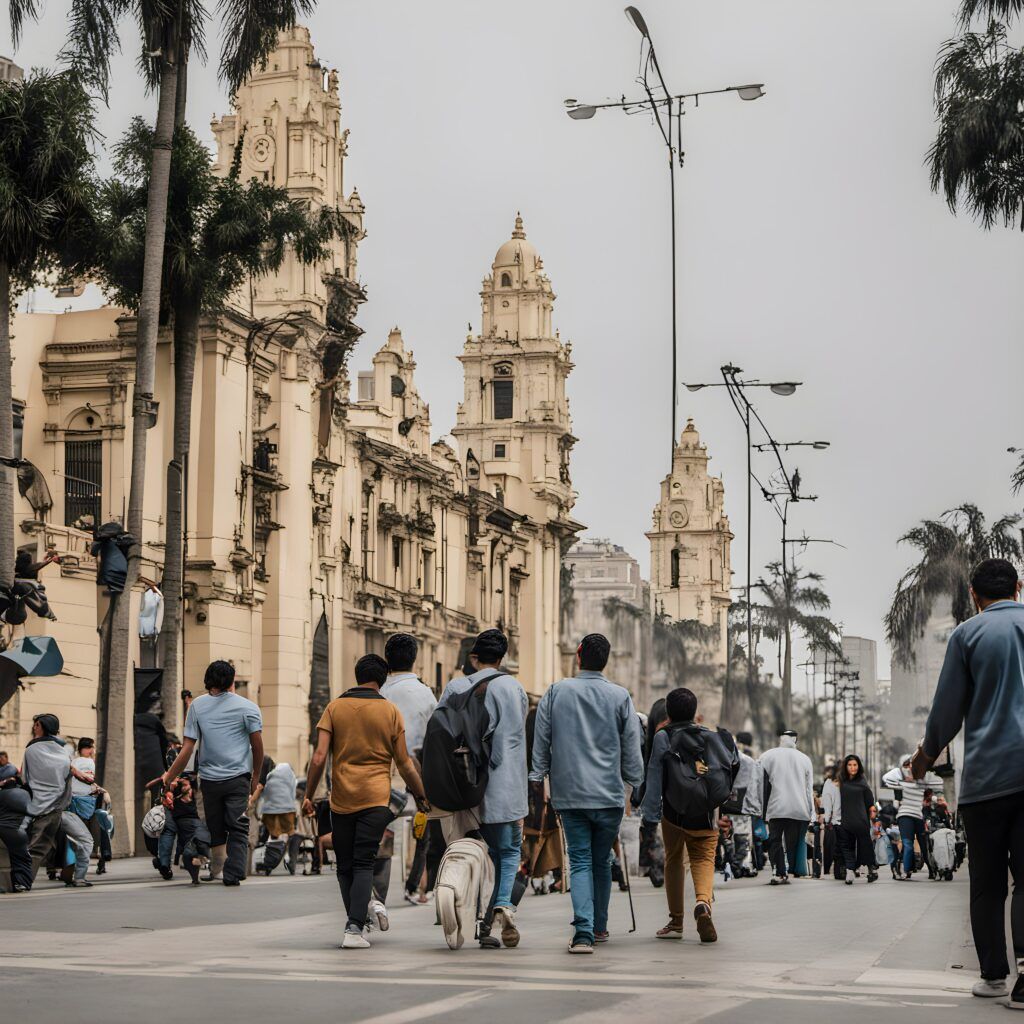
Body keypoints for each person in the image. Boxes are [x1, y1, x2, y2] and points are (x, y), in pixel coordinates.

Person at [910, 558, 1024, 1005]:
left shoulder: (968, 635)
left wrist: (925, 756)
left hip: (987, 782)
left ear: (974, 596)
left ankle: (995, 976)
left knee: (988, 884)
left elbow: (947, 712)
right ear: (1019, 586)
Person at [303, 653, 429, 949]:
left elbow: (319, 757)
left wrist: (308, 795)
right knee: (363, 863)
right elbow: (405, 764)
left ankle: (355, 922)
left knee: (344, 865)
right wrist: (422, 795)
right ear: (382, 680)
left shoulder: (334, 708)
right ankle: (354, 927)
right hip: (375, 799)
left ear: (357, 675)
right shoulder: (390, 712)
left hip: (341, 799)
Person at [529, 633, 643, 954]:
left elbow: (543, 738)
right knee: (602, 861)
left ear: (578, 656)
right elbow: (632, 749)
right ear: (605, 660)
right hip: (609, 795)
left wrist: (537, 775)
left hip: (570, 793)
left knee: (579, 860)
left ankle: (583, 932)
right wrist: (634, 784)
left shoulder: (556, 692)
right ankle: (600, 926)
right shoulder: (620, 697)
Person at [436, 628, 528, 950]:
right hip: (503, 788)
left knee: (472, 853)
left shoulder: (455, 686)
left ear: (474, 656)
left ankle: (470, 915)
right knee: (507, 852)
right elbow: (511, 739)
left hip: (464, 789)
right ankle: (502, 904)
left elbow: (442, 734)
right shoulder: (512, 687)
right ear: (502, 657)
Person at [641, 687, 739, 943]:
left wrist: (650, 815)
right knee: (704, 857)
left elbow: (654, 775)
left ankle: (676, 922)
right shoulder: (709, 736)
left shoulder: (664, 736)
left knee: (673, 860)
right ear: (694, 712)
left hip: (673, 811)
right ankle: (703, 903)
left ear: (669, 713)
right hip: (706, 812)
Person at [161, 660, 264, 886]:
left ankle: (220, 869)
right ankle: (233, 872)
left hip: (209, 780)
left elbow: (188, 748)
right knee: (237, 825)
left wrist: (169, 776)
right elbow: (257, 747)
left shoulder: (197, 706)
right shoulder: (248, 707)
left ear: (208, 680)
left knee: (216, 826)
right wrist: (255, 777)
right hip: (238, 777)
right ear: (232, 680)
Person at [379, 632, 439, 905]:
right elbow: (434, 737)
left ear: (387, 660)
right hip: (417, 773)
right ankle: (414, 887)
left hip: (380, 772)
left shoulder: (378, 691)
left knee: (380, 830)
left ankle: (376, 889)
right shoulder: (426, 694)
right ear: (415, 660)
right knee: (422, 834)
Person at [757, 729, 814, 886]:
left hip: (776, 806)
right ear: (795, 740)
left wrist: (759, 806)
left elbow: (758, 782)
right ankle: (789, 869)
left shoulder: (767, 756)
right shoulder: (805, 759)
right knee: (792, 843)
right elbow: (809, 789)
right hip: (798, 808)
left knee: (775, 840)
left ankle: (779, 871)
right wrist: (812, 813)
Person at [22, 713, 74, 881]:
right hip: (56, 806)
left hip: (36, 806)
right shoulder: (64, 752)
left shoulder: (31, 750)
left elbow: (25, 777)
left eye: (36, 725)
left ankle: (23, 880)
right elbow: (68, 780)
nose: (34, 727)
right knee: (45, 846)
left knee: (33, 847)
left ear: (43, 726)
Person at [882, 754, 942, 881]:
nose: (909, 768)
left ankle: (932, 870)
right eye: (906, 765)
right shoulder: (899, 777)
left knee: (923, 844)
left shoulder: (921, 779)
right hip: (904, 815)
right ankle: (904, 870)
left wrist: (934, 800)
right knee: (907, 844)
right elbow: (886, 779)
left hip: (919, 816)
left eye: (911, 765)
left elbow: (930, 794)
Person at [834, 754, 878, 885]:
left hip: (861, 820)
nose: (852, 768)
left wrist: (874, 817)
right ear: (845, 766)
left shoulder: (863, 783)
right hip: (845, 820)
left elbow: (870, 802)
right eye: (850, 765)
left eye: (855, 765)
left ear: (859, 767)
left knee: (866, 846)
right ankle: (850, 871)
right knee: (848, 847)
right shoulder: (841, 782)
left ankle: (872, 870)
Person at [0, 763, 31, 892]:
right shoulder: (24, 794)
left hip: (2, 829)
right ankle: (22, 883)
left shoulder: (2, 795)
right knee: (21, 858)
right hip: (16, 831)